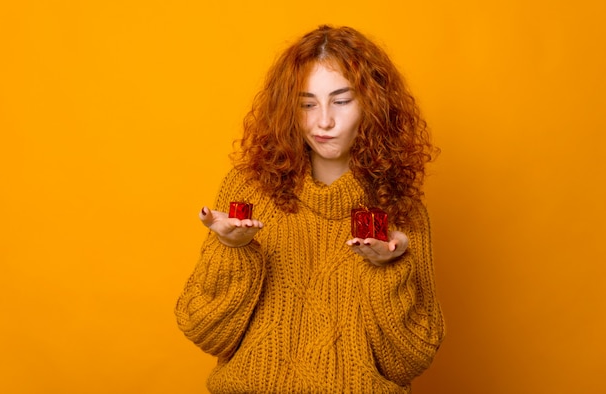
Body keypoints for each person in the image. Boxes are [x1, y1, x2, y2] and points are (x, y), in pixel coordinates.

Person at [175, 25, 445, 393]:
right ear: (288, 108)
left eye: (341, 100)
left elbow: (409, 360)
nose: (324, 122)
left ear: (374, 103)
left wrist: (386, 270)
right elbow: (205, 331)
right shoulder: (249, 190)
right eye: (306, 104)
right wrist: (233, 250)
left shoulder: (400, 210)